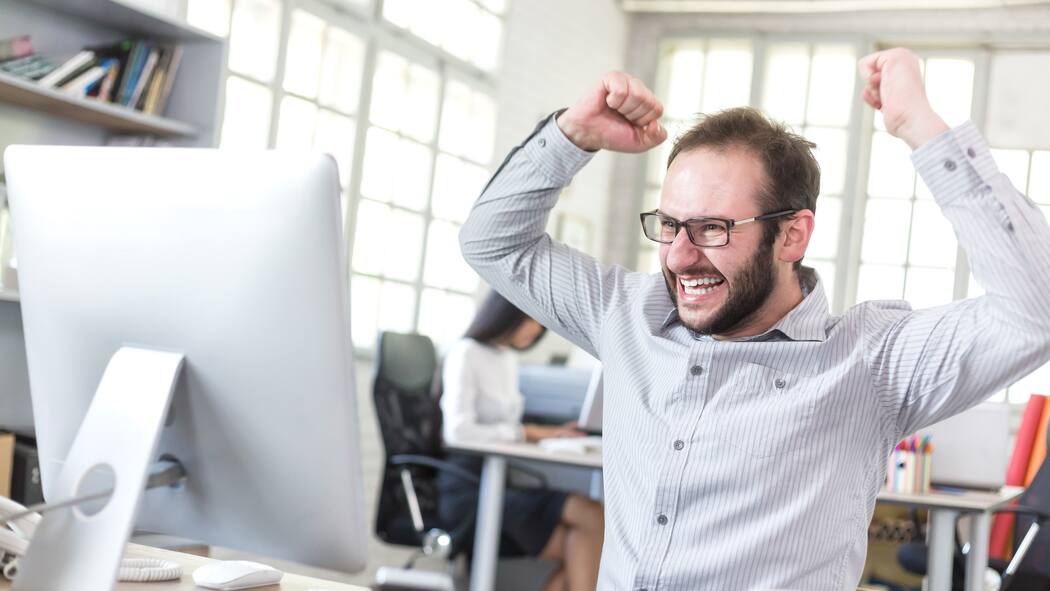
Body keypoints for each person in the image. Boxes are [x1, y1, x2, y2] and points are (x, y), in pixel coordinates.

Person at [458, 47, 1050, 590]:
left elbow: (1036, 311)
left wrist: (921, 127)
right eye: (670, 225)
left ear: (792, 235)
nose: (679, 256)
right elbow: (492, 243)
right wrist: (572, 136)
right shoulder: (624, 313)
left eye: (712, 229)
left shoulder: (869, 362)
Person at [438, 289, 604, 591]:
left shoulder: (506, 359)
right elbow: (457, 432)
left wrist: (548, 435)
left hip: (500, 481)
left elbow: (506, 426)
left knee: (587, 534)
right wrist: (530, 433)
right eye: (533, 320)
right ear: (508, 313)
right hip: (468, 487)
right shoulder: (466, 352)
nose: (537, 330)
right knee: (590, 531)